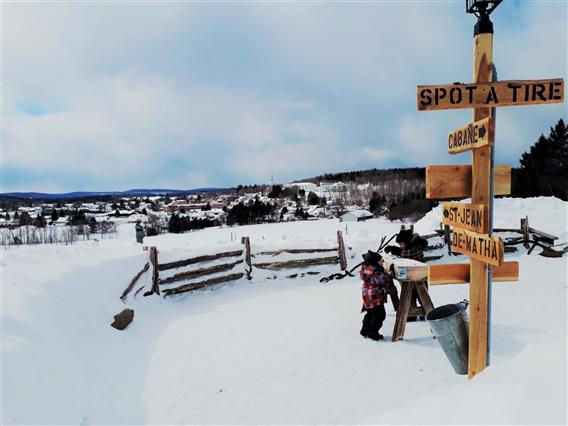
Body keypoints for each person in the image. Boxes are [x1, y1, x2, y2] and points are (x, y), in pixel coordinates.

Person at [384, 229, 429, 320]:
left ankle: (426, 313)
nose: (400, 246)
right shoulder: (409, 246)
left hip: (420, 277)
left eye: (401, 244)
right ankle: (412, 313)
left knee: (421, 296)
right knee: (410, 296)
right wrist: (395, 249)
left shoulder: (417, 246)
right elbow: (403, 252)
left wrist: (394, 249)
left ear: (407, 242)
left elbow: (407, 254)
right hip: (410, 276)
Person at [359, 250, 389, 341]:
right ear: (375, 262)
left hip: (367, 296)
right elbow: (383, 280)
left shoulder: (367, 269)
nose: (382, 262)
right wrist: (389, 275)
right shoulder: (375, 271)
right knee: (380, 314)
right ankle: (373, 332)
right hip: (374, 296)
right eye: (381, 260)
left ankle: (365, 330)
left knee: (370, 313)